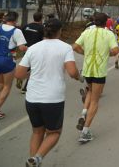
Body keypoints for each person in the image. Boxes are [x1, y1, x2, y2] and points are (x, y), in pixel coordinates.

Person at [15, 18, 83, 167]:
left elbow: (19, 74)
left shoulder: (33, 48)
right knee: (54, 133)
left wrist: (32, 72)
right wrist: (79, 77)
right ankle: (38, 158)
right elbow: (72, 72)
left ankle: (32, 160)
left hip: (32, 98)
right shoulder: (65, 47)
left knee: (37, 132)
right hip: (52, 99)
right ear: (60, 31)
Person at [73, 12, 119, 143]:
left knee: (90, 90)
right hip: (99, 71)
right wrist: (107, 54)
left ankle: (83, 112)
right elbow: (115, 51)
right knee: (95, 100)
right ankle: (85, 132)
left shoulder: (87, 32)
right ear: (106, 22)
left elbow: (75, 46)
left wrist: (85, 52)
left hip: (87, 69)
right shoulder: (108, 34)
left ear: (94, 21)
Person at [19, 12, 44, 93]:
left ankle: (20, 78)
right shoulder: (42, 28)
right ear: (41, 18)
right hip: (36, 51)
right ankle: (25, 88)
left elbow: (21, 37)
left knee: (27, 66)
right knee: (34, 69)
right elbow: (44, 40)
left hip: (26, 49)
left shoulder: (26, 26)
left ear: (33, 17)